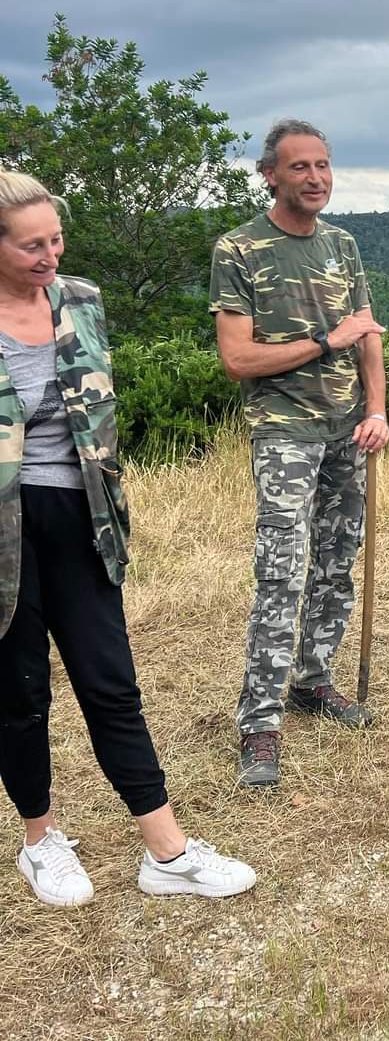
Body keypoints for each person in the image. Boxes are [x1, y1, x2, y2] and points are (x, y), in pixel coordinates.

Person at [0, 170, 256, 907]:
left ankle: (166, 853)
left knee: (111, 684)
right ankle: (41, 841)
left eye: (55, 239)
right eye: (30, 247)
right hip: (4, 536)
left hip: (83, 518)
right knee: (19, 694)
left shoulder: (81, 301)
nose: (50, 256)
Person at [210, 120, 389, 787]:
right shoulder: (240, 248)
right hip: (283, 431)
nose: (315, 177)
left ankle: (314, 683)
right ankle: (259, 723)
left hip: (349, 430)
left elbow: (367, 334)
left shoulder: (343, 246)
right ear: (271, 176)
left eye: (323, 165)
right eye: (300, 167)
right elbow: (238, 358)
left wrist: (377, 410)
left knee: (337, 563)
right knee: (281, 571)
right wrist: (324, 339)